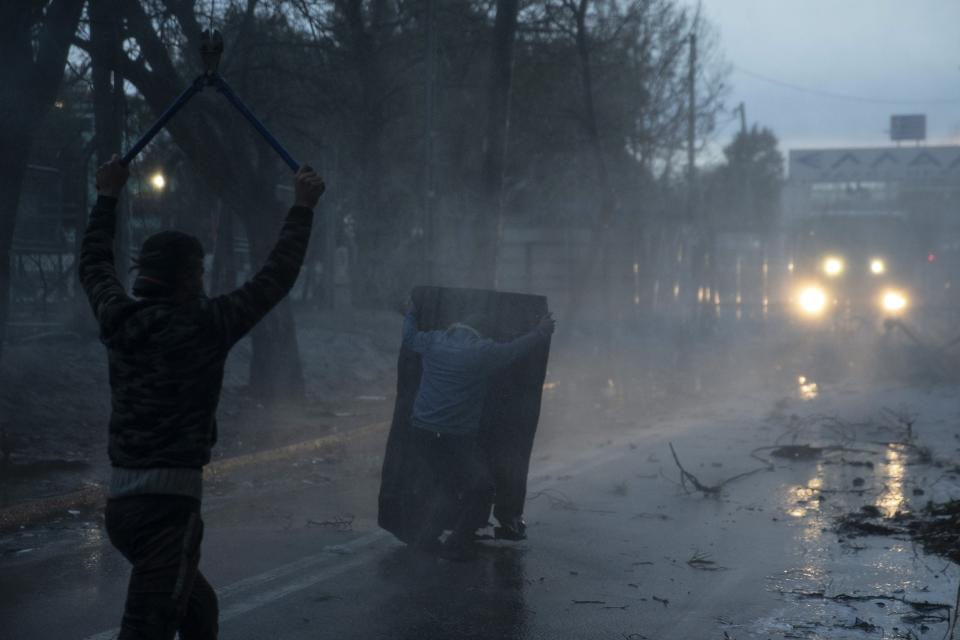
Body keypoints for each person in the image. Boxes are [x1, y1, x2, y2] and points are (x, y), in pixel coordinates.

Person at [79, 155, 324, 639]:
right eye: (200, 271)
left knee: (198, 610)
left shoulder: (119, 319)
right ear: (190, 277)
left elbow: (93, 263)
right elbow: (276, 277)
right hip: (168, 513)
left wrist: (107, 195)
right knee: (147, 629)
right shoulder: (206, 325)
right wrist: (303, 207)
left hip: (123, 510)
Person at [402, 303, 556, 561]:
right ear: (480, 334)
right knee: (482, 488)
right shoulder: (482, 352)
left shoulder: (433, 341)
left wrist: (412, 311)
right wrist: (540, 332)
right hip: (454, 437)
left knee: (449, 487)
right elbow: (515, 350)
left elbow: (409, 336)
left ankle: (427, 541)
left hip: (422, 433)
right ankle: (456, 544)